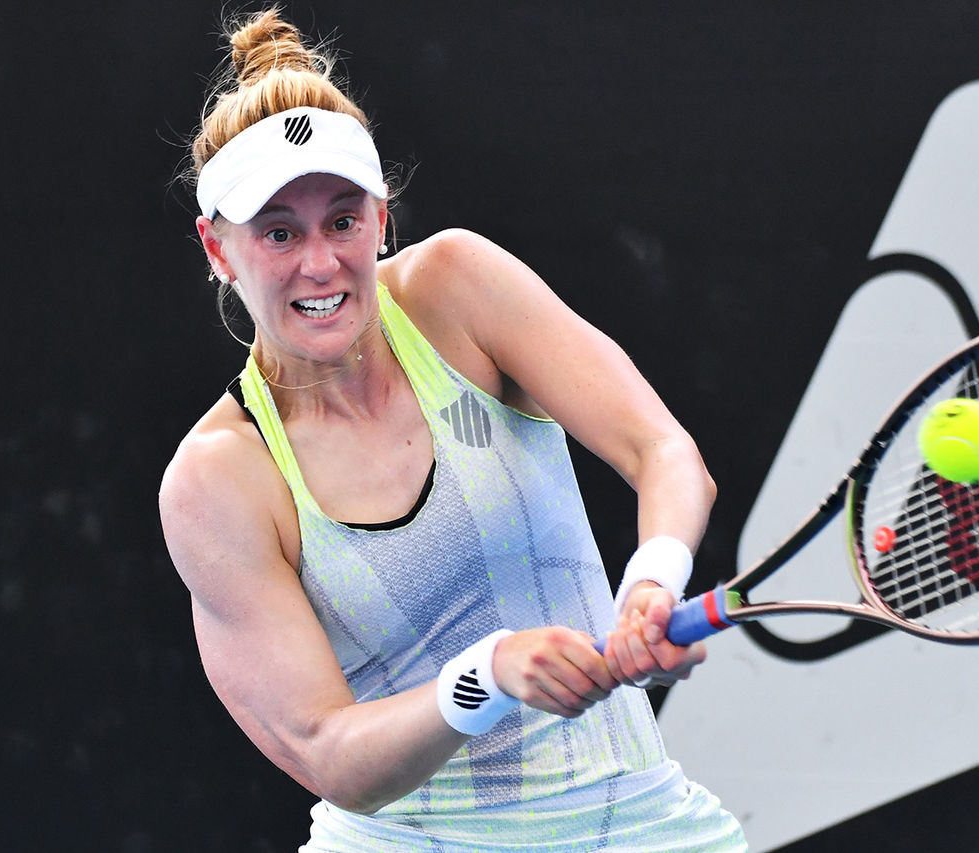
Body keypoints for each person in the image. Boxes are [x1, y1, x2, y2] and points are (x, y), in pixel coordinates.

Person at [159, 8, 747, 851]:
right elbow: (328, 752)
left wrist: (652, 579)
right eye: (278, 232)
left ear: (382, 216)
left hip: (639, 821)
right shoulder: (217, 479)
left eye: (343, 219)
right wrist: (488, 672)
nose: (319, 263)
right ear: (218, 249)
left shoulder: (457, 288)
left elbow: (663, 452)